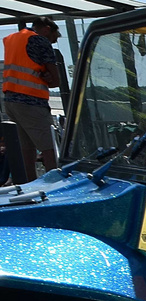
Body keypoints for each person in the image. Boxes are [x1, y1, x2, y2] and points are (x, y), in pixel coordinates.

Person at [2, 17, 62, 182]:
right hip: (32, 101)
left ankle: (28, 183)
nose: (52, 42)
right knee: (49, 147)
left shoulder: (13, 39)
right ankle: (54, 183)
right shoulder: (40, 41)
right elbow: (56, 81)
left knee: (26, 147)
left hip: (10, 100)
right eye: (54, 38)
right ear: (47, 29)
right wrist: (49, 77)